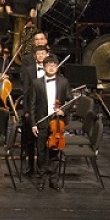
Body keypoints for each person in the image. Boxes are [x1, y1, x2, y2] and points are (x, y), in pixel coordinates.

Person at [30, 54, 72, 191]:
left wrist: (63, 111)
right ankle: (40, 178)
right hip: (42, 121)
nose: (52, 68)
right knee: (41, 151)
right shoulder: (36, 83)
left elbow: (70, 100)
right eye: (49, 65)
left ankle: (53, 179)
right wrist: (33, 124)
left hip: (57, 122)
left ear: (57, 67)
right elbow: (32, 105)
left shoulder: (64, 82)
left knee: (55, 151)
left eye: (54, 65)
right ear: (44, 67)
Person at [20, 45, 50, 176]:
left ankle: (44, 167)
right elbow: (26, 91)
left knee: (45, 140)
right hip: (32, 109)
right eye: (38, 54)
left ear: (47, 55)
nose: (41, 56)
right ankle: (30, 165)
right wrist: (26, 110)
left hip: (46, 110)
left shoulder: (52, 69)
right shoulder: (29, 70)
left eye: (43, 53)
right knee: (30, 140)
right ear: (34, 56)